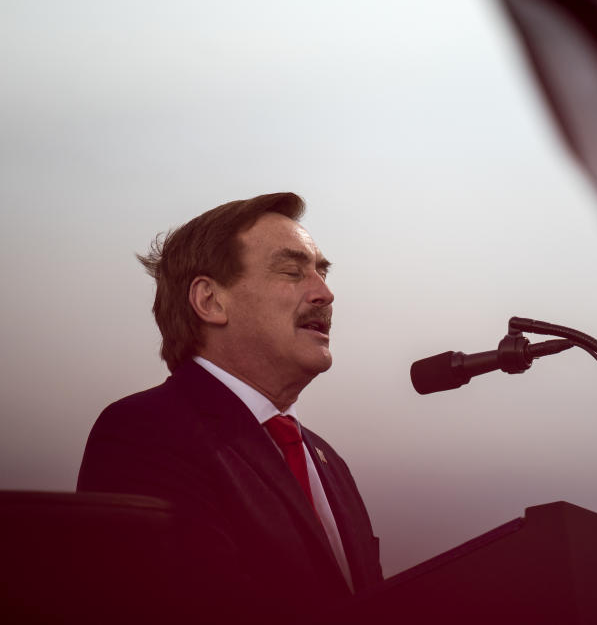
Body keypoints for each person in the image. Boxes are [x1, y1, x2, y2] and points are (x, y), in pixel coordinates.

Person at [77, 193, 382, 621]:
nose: (325, 293)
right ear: (210, 302)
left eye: (322, 273)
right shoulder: (144, 433)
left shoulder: (328, 461)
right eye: (293, 272)